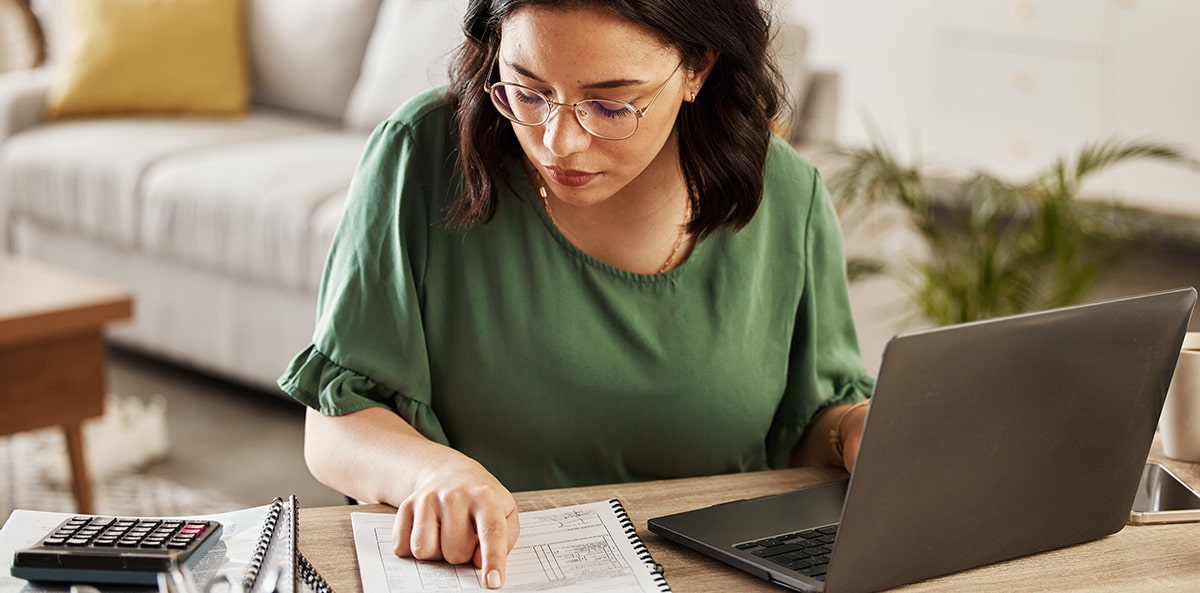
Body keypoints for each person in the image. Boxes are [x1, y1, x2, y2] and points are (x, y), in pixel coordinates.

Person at [278, 0, 874, 589]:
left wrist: (855, 431)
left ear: (699, 69)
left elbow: (811, 428)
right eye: (527, 91)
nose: (558, 142)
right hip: (491, 574)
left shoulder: (789, 198)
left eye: (611, 104)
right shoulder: (422, 153)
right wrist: (434, 474)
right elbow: (336, 422)